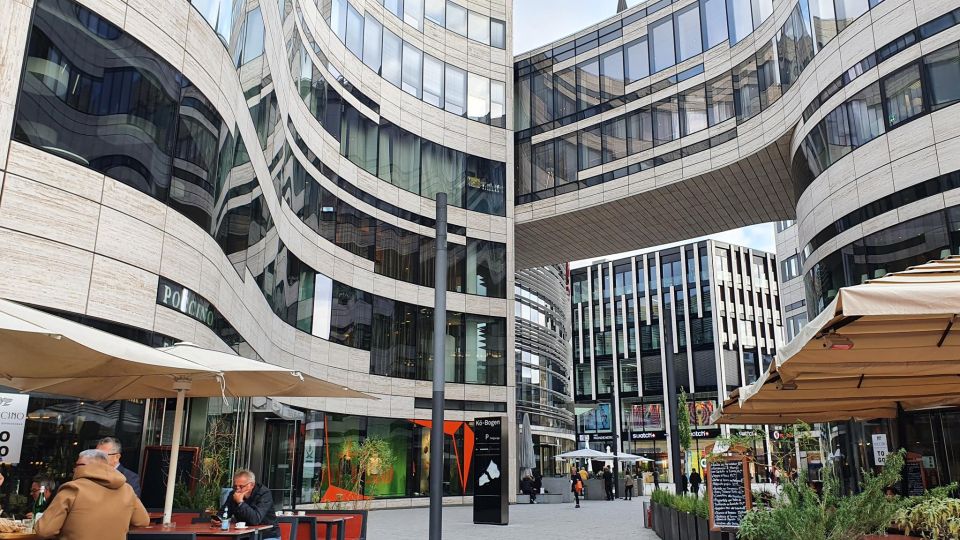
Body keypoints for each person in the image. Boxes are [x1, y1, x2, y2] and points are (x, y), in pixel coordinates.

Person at [35, 449, 148, 540]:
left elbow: (44, 530)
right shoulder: (127, 490)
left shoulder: (73, 488)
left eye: (77, 465)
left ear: (83, 465)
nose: (74, 469)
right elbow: (143, 521)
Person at [219, 469, 280, 540]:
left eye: (241, 486)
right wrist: (218, 519)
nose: (237, 490)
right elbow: (224, 512)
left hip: (267, 535)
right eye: (235, 486)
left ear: (251, 485)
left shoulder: (264, 494)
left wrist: (240, 503)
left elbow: (255, 520)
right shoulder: (233, 494)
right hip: (243, 535)